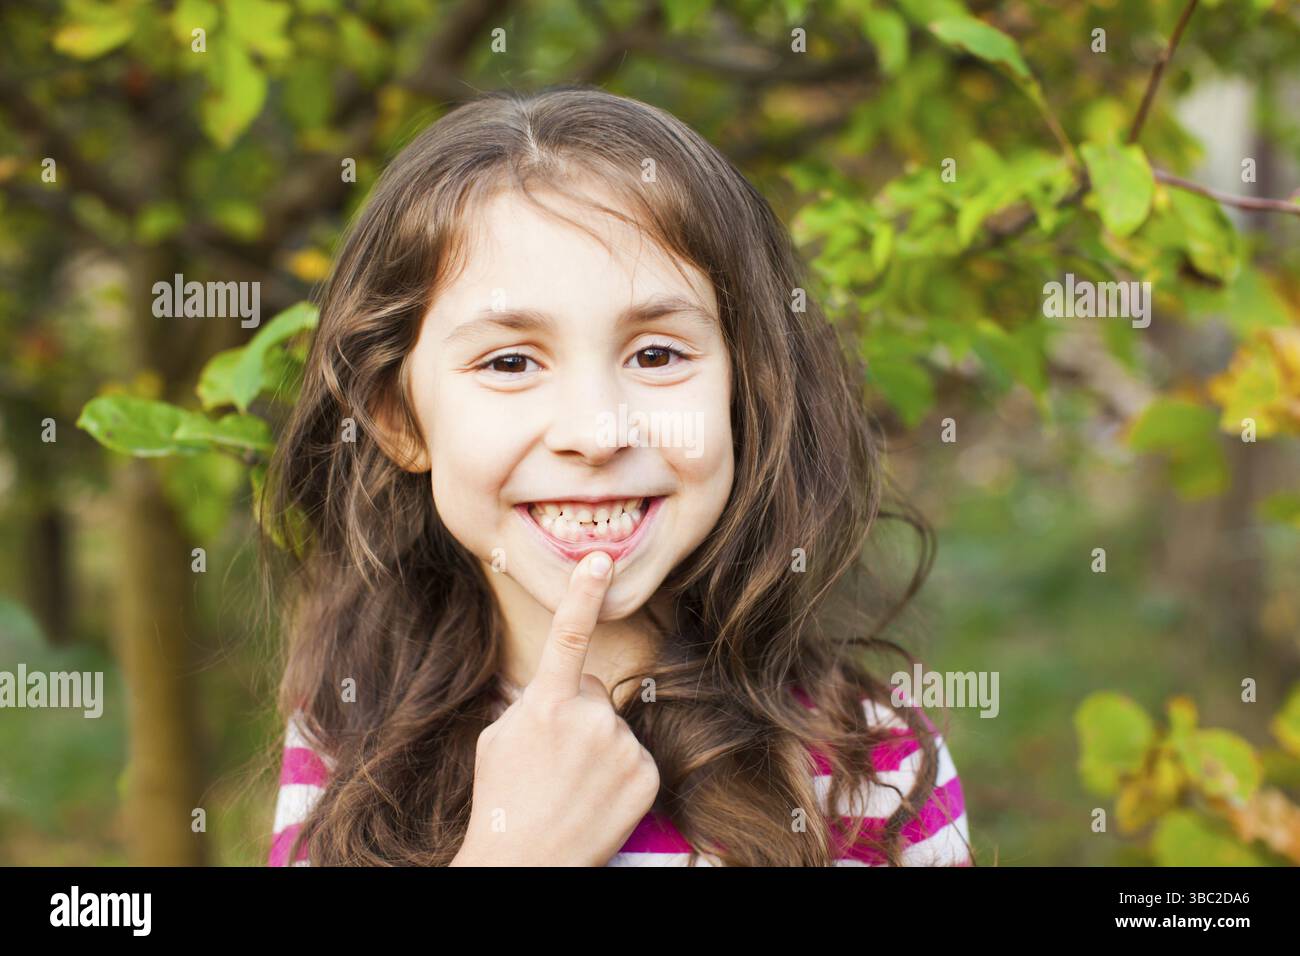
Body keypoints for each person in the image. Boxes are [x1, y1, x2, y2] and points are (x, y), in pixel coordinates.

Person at [264, 85, 973, 867]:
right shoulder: (343, 740)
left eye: (658, 355)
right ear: (399, 420)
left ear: (747, 393)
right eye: (509, 362)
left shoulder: (869, 766)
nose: (598, 433)